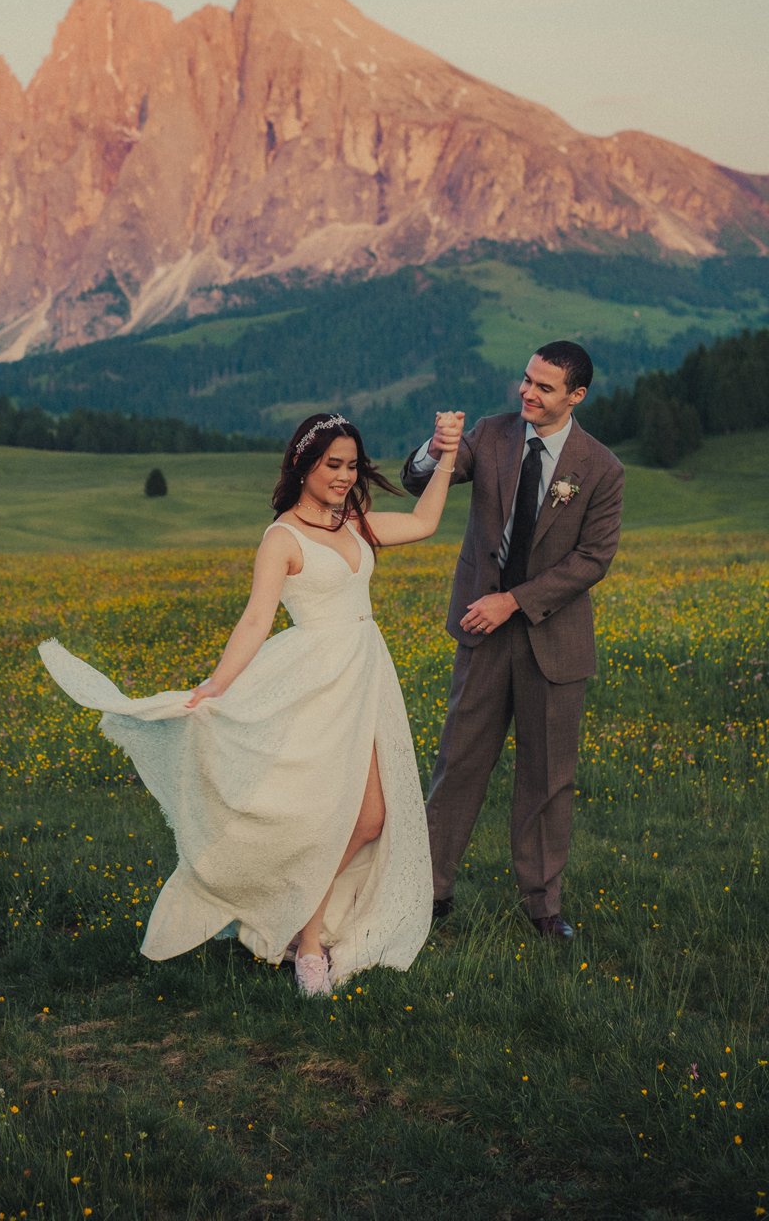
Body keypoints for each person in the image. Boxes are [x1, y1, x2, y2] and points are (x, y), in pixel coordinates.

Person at [40, 407, 464, 995]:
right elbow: (255, 620)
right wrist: (217, 684)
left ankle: (292, 914)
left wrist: (446, 456)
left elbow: (422, 521)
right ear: (303, 465)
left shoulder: (355, 520)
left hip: (364, 675)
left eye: (351, 466)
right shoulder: (282, 537)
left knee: (369, 818)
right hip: (313, 683)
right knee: (325, 817)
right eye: (332, 465)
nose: (344, 477)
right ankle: (309, 943)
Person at [401, 341, 624, 940]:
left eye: (544, 387)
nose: (527, 392)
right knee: (458, 763)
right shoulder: (493, 434)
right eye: (526, 380)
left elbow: (593, 559)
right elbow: (416, 476)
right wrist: (438, 447)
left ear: (575, 396)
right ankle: (427, 892)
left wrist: (515, 602)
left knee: (548, 776)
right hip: (481, 631)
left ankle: (542, 906)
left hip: (553, 641)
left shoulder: (600, 467)